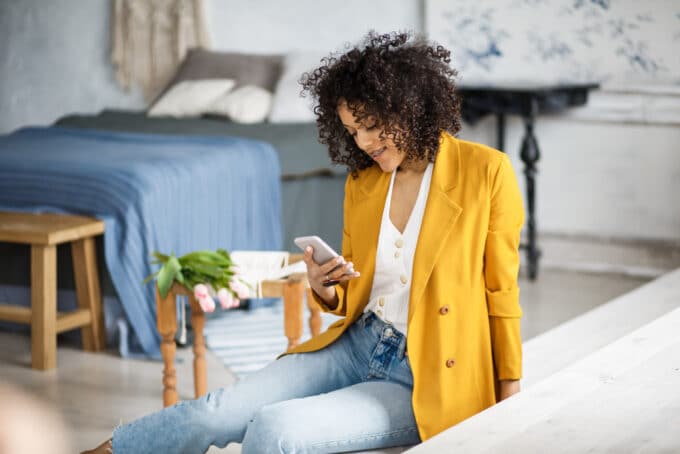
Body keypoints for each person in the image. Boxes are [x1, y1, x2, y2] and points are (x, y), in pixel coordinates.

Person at [84, 30, 524, 454]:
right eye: (353, 131)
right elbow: (354, 288)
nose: (364, 142)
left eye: (371, 126)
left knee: (274, 429)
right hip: (359, 342)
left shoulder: (486, 173)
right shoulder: (364, 182)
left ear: (408, 107)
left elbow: (500, 294)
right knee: (215, 413)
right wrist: (323, 283)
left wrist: (510, 399)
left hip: (427, 376)